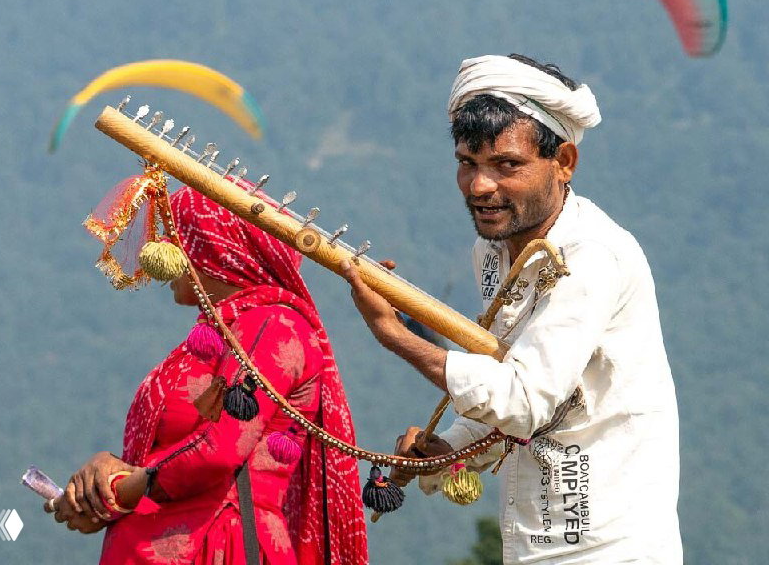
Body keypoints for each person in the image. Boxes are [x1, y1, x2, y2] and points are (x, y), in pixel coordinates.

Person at [341, 54, 682, 564]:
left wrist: (396, 336)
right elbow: (514, 380)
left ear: (564, 162)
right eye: (467, 163)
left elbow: (524, 402)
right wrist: (449, 449)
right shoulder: (492, 251)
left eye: (507, 165)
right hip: (532, 542)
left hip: (607, 548)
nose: (480, 186)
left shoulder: (591, 257)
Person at [48, 184, 369, 565]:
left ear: (214, 248)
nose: (162, 252)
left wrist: (117, 489)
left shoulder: (274, 326)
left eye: (177, 238)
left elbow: (221, 447)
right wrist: (102, 481)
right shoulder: (222, 333)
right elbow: (162, 457)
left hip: (219, 546)